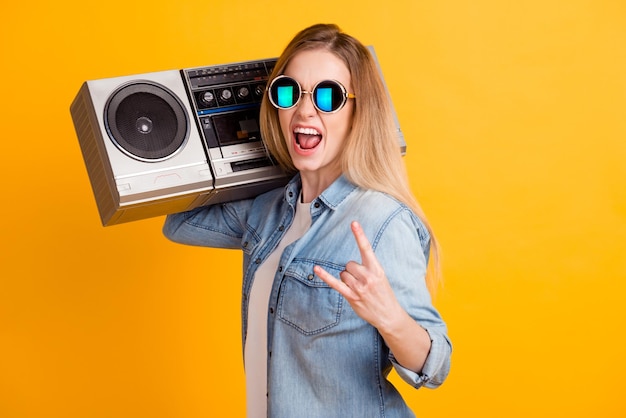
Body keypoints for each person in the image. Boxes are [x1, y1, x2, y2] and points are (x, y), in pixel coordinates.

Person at [163, 23, 451, 418]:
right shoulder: (266, 212)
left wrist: (390, 318)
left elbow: (434, 366)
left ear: (358, 112)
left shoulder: (381, 220)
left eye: (328, 96)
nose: (303, 110)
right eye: (288, 91)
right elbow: (179, 220)